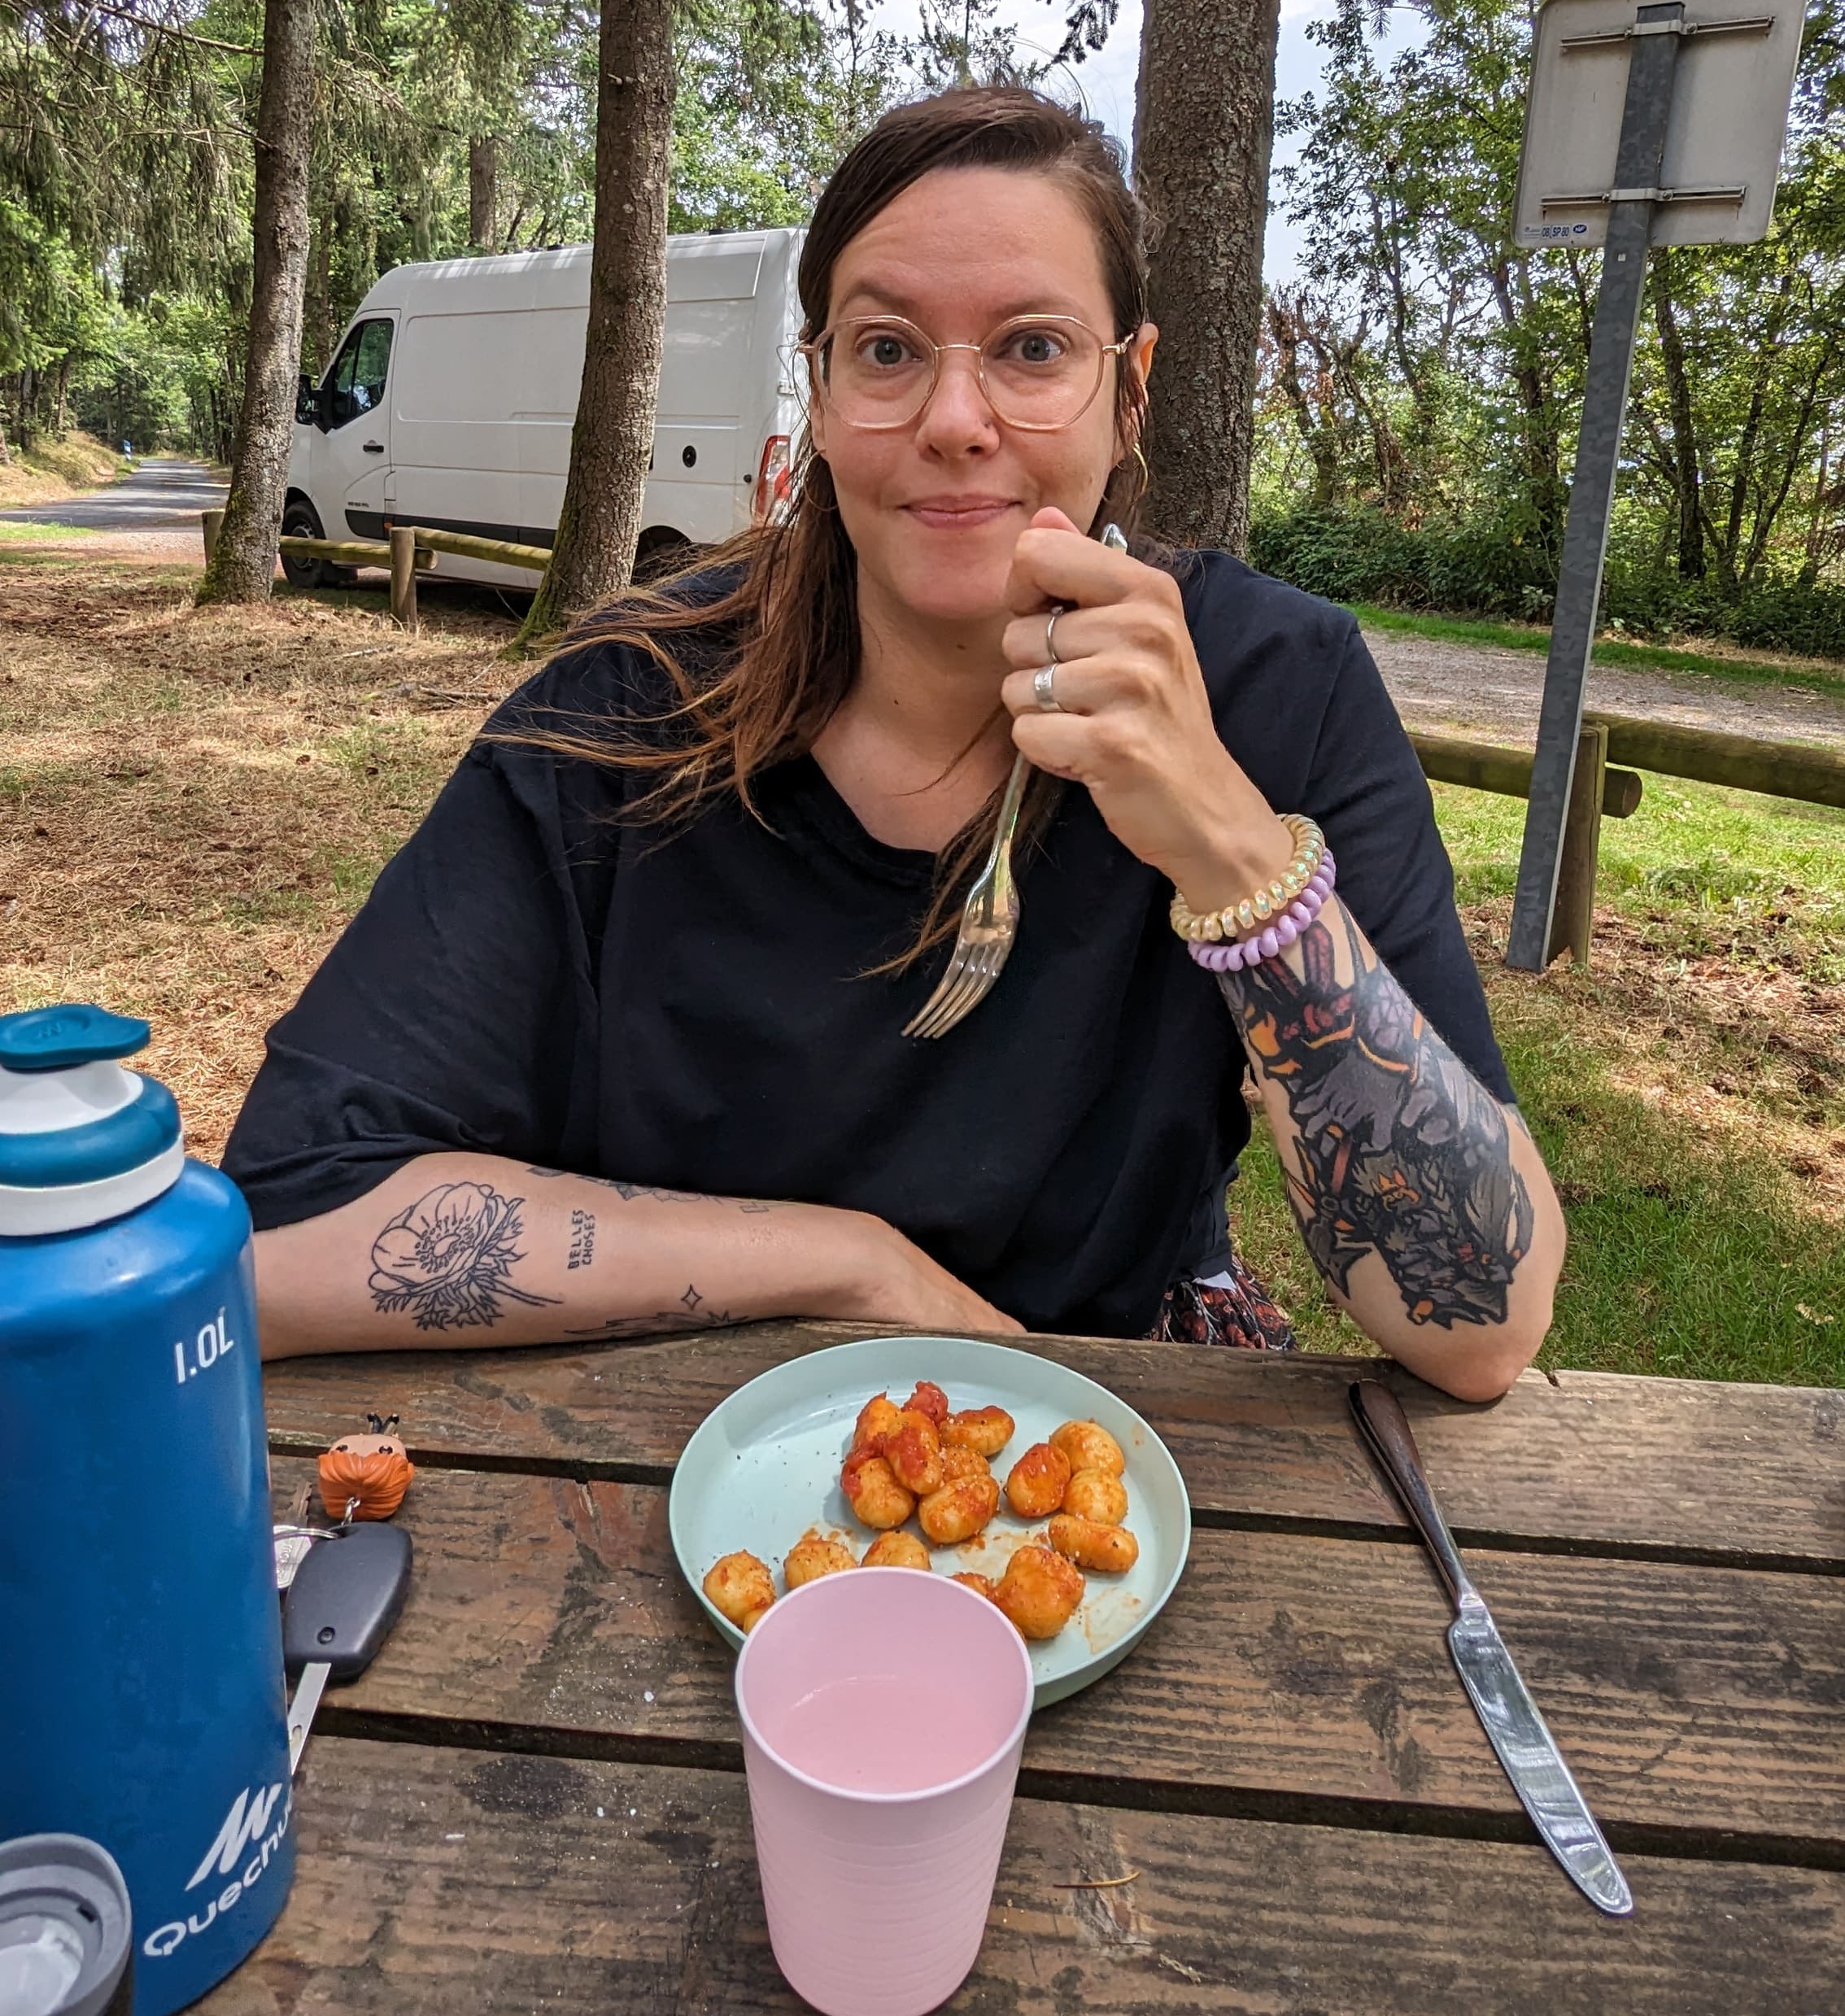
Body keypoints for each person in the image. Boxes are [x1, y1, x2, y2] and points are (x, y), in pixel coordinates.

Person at [229, 87, 1563, 1393]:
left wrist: (1227, 844)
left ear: (1131, 389)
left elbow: (1482, 1326)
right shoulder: (632, 705)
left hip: (1106, 1435)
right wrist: (852, 1268)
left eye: (1034, 349)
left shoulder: (1278, 686)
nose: (955, 420)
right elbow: (277, 1237)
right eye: (886, 349)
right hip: (660, 1425)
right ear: (817, 387)